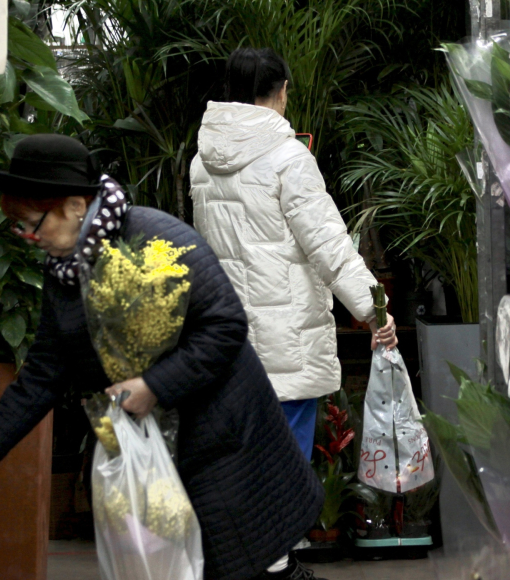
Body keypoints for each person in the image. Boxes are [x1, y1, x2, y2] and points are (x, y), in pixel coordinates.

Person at [0, 134, 324, 580]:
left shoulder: (157, 237)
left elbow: (225, 325)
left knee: (252, 562)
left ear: (76, 206)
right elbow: (45, 368)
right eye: (19, 226)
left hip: (225, 439)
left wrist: (154, 385)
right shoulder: (64, 272)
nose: (28, 238)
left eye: (33, 223)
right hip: (157, 451)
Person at [190, 47, 397, 580]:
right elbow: (329, 244)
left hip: (229, 337)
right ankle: (276, 567)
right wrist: (373, 309)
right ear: (280, 90)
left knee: (240, 459)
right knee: (284, 457)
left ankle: (249, 562)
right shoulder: (288, 158)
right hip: (286, 337)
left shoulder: (202, 159)